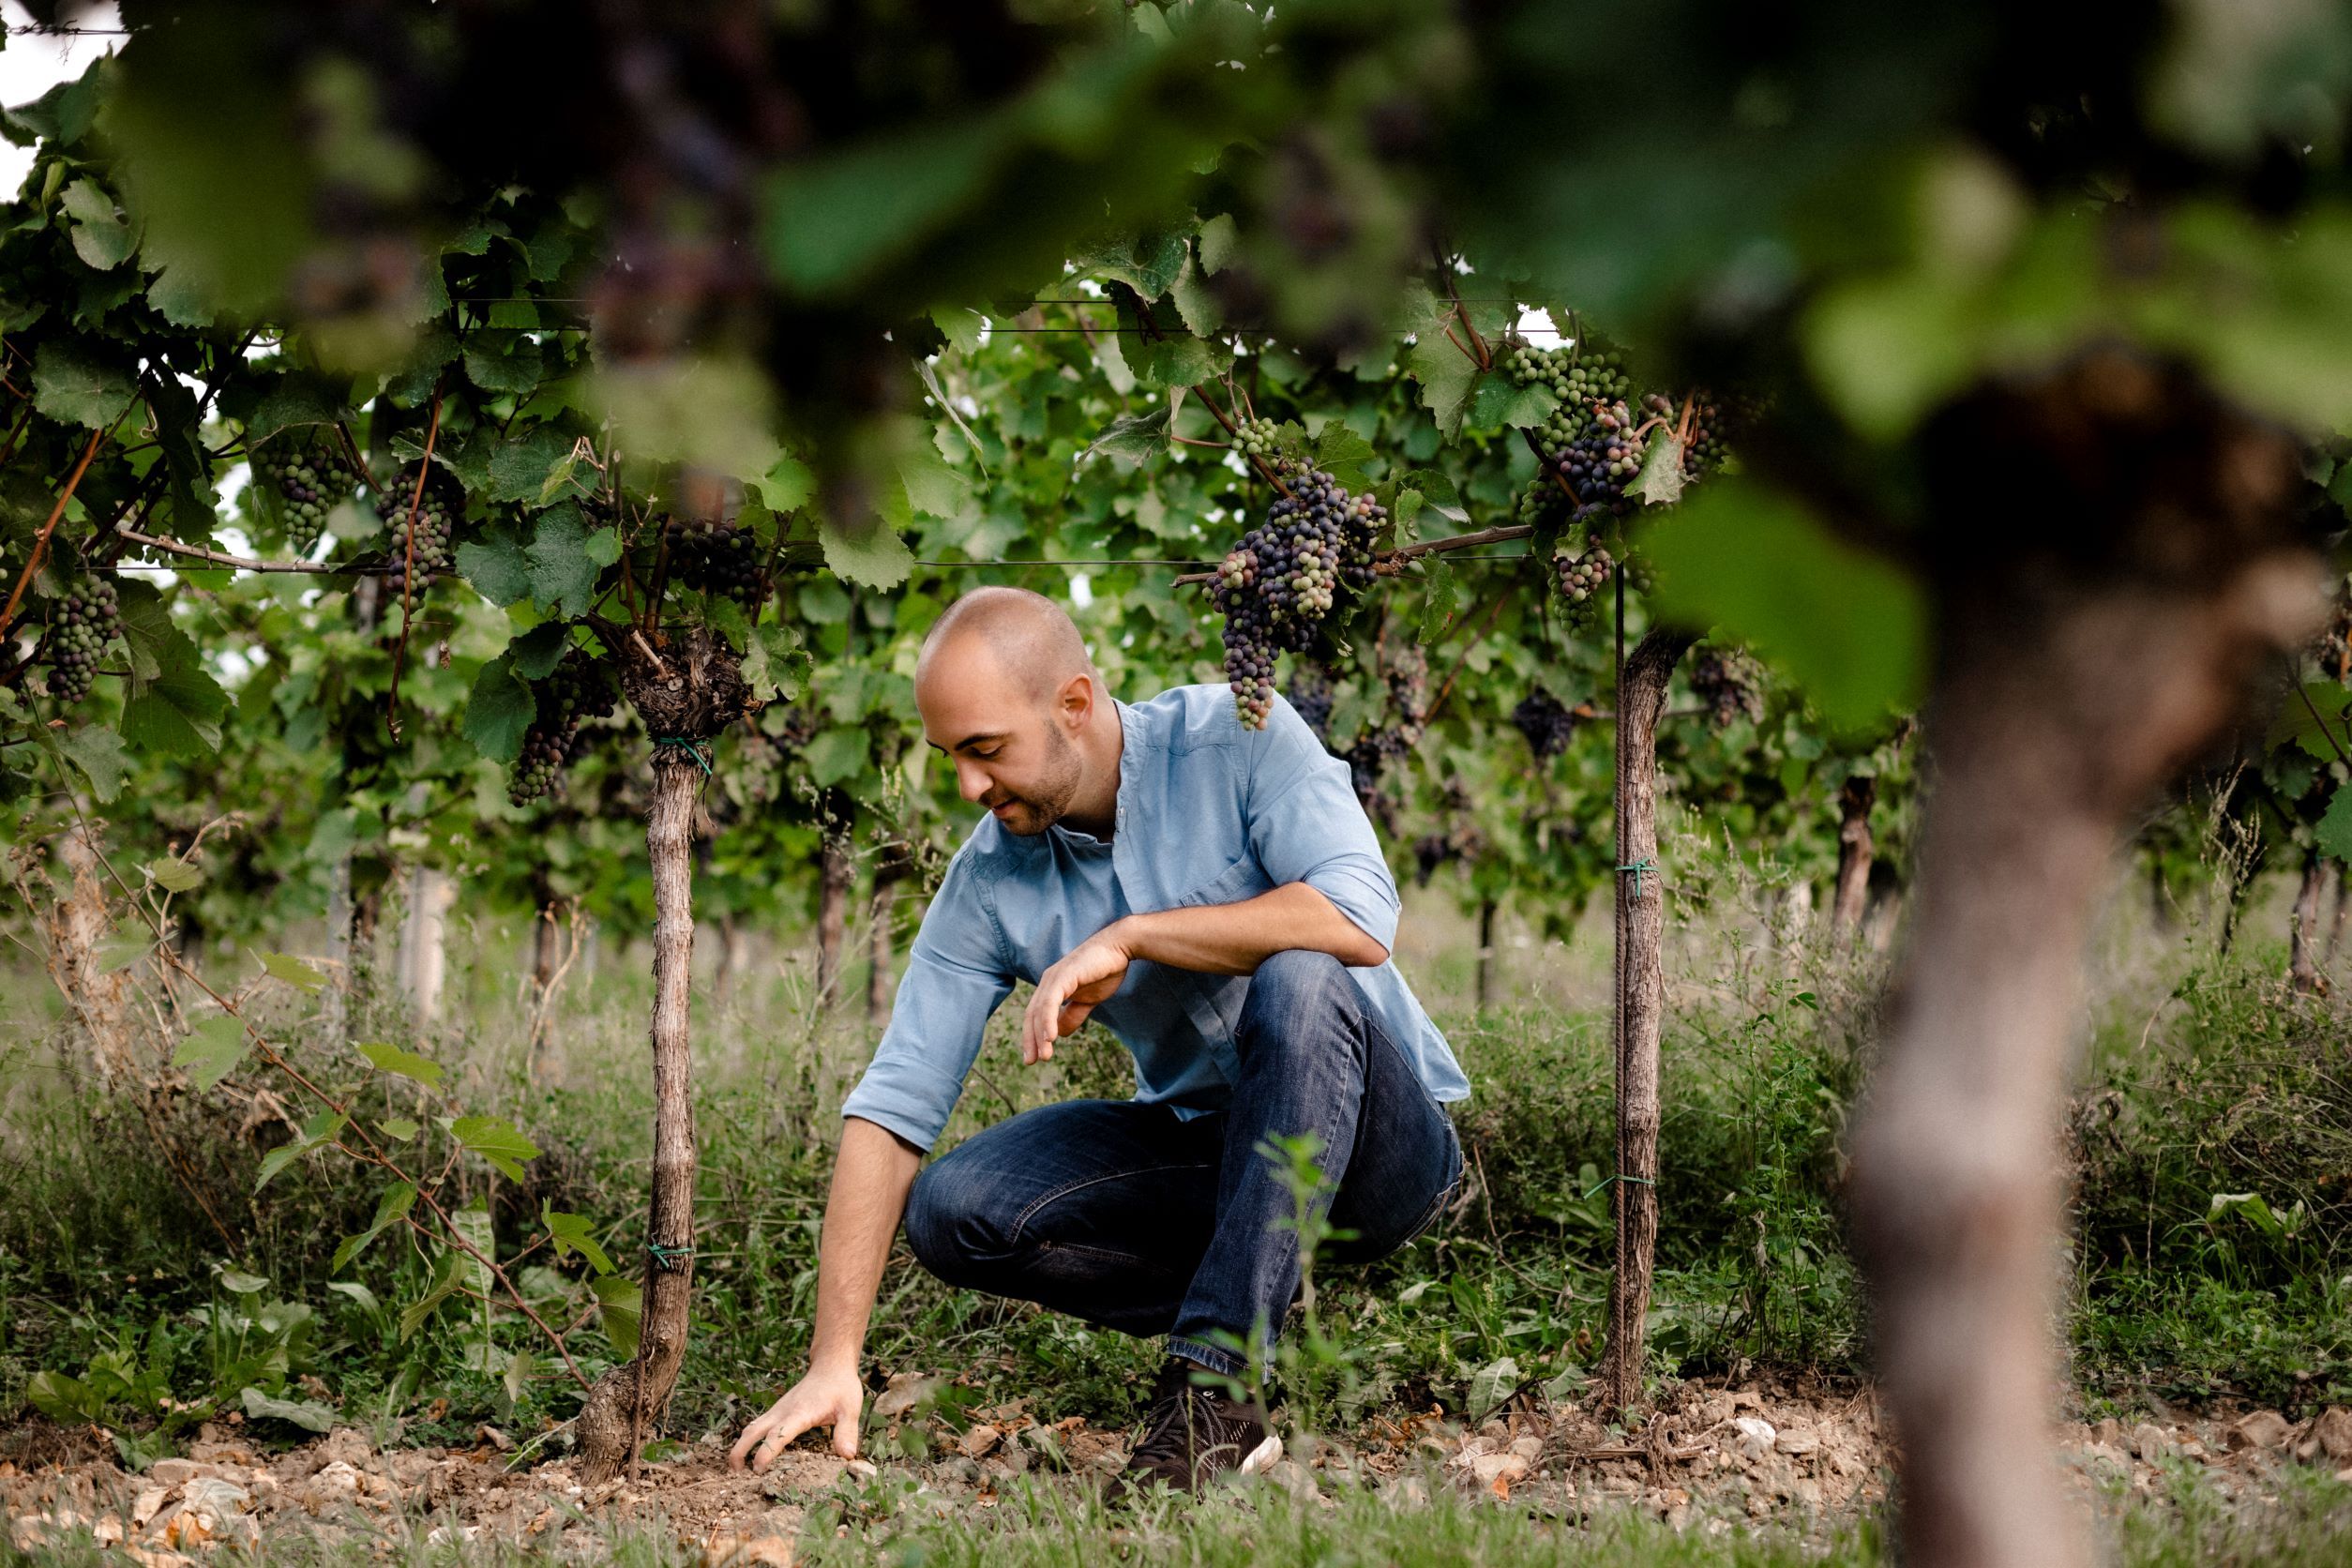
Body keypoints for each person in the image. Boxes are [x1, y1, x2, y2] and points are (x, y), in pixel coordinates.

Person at [729, 586, 1467, 1497]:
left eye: (985, 749)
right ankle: (1254, 1286)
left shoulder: (1238, 735)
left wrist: (1137, 935)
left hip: (1376, 1156)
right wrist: (832, 1359)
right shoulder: (988, 880)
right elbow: (894, 1101)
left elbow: (1357, 917)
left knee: (1301, 973)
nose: (967, 787)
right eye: (949, 756)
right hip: (1210, 1150)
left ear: (1073, 703)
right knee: (954, 1209)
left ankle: (1216, 1390)